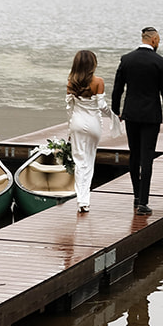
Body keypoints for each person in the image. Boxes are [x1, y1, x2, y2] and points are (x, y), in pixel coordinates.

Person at [111, 25, 163, 215]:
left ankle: (136, 195)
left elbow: (118, 88)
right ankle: (143, 203)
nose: (158, 43)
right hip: (151, 116)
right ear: (153, 40)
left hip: (131, 114)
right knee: (147, 157)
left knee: (134, 155)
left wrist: (116, 111)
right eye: (158, 41)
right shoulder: (160, 62)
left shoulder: (127, 59)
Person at [65, 48, 112, 214]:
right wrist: (114, 116)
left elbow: (69, 108)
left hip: (77, 123)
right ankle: (85, 200)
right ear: (93, 64)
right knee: (89, 162)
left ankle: (82, 200)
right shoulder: (98, 81)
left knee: (79, 163)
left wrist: (70, 129)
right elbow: (102, 106)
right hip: (93, 125)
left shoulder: (71, 82)